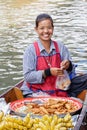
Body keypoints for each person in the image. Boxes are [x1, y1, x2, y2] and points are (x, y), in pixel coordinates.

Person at [21, 13, 87, 98]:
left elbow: (72, 71)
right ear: (36, 30)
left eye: (49, 28)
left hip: (61, 87)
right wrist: (48, 72)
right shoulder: (30, 50)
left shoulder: (60, 46)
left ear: (53, 28)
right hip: (37, 91)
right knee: (40, 103)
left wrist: (68, 65)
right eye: (42, 28)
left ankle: (62, 96)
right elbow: (28, 77)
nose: (46, 31)